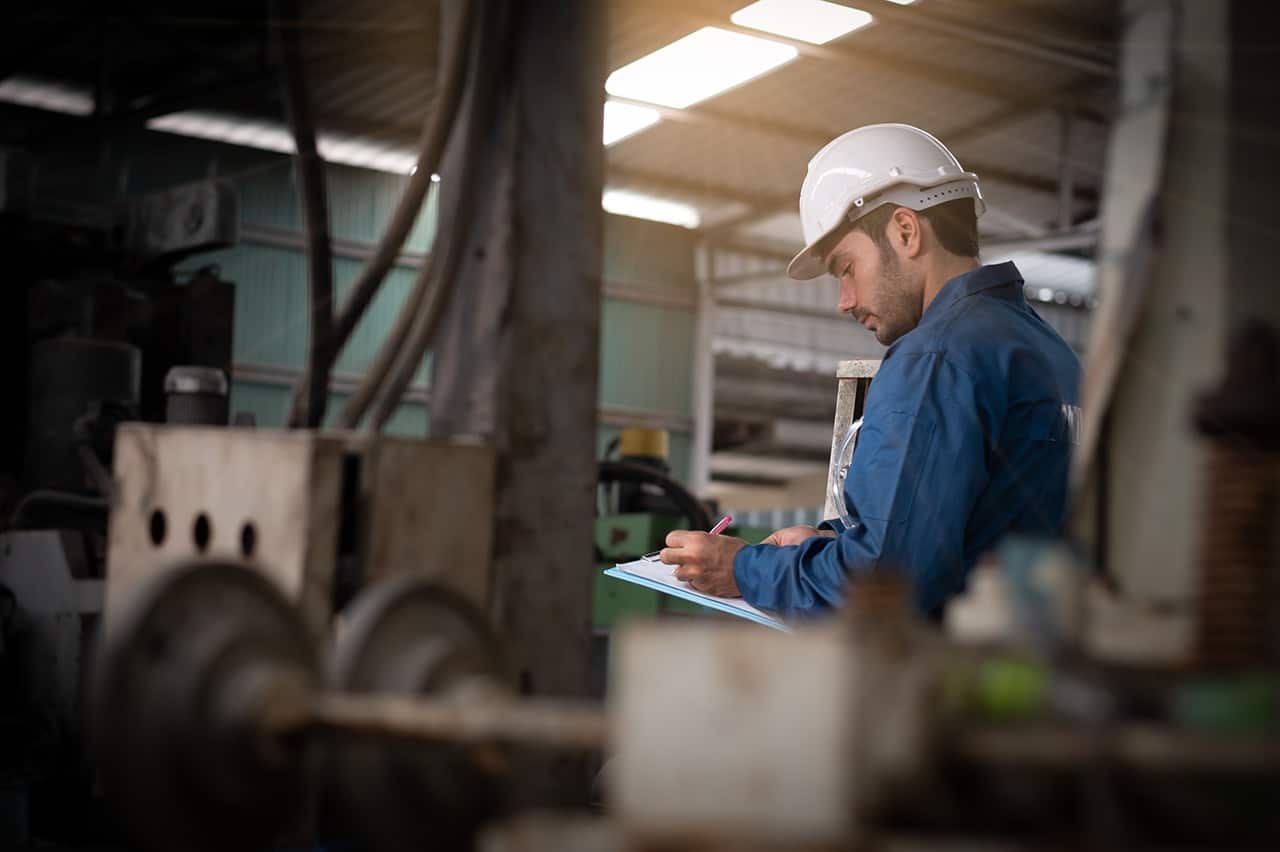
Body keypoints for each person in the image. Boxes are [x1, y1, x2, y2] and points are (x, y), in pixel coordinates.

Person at [660, 123, 1082, 620]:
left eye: (845, 268)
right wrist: (828, 544)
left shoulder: (936, 358)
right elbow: (979, 527)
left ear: (905, 231)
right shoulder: (1049, 350)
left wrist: (744, 569)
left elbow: (885, 582)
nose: (845, 301)